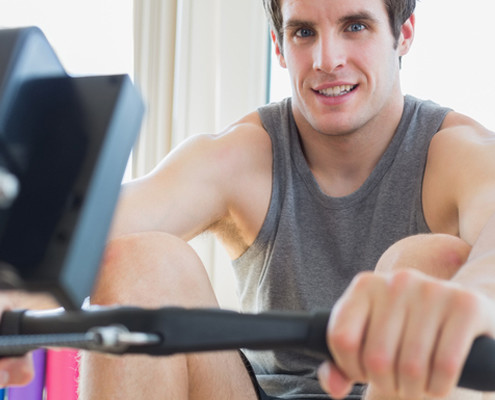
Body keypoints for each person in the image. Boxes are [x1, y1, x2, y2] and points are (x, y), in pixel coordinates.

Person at [4, 0, 495, 399]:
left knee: (430, 262)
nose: (327, 59)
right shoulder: (245, 156)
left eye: (355, 25)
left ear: (404, 33)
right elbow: (79, 236)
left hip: (395, 390)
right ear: (280, 46)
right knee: (139, 260)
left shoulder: (452, 149)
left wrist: (476, 293)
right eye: (303, 32)